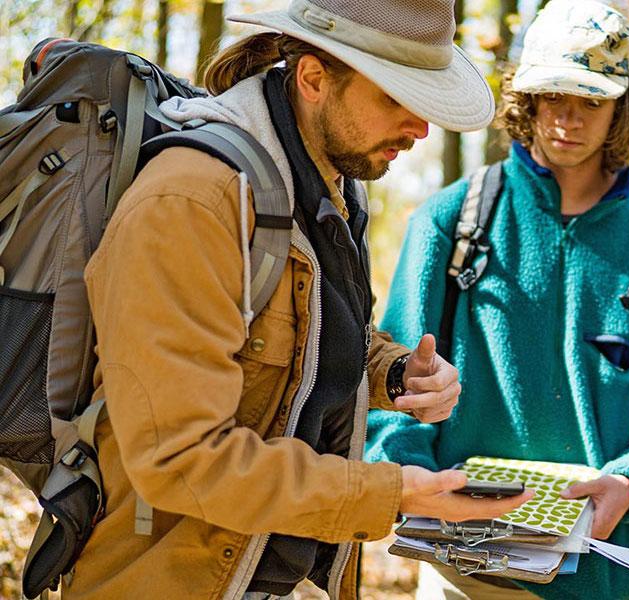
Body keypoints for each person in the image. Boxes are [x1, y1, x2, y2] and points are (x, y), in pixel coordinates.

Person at [68, 1, 533, 598]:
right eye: (397, 98)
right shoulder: (192, 202)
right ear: (313, 79)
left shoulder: (331, 185)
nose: (421, 129)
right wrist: (392, 493)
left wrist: (393, 374)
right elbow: (181, 456)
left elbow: (298, 340)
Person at [365, 1, 629, 598]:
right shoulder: (454, 220)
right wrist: (414, 480)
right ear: (525, 99)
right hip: (466, 567)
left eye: (591, 101)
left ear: (623, 106)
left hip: (617, 569)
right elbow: (393, 381)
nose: (568, 119)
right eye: (554, 96)